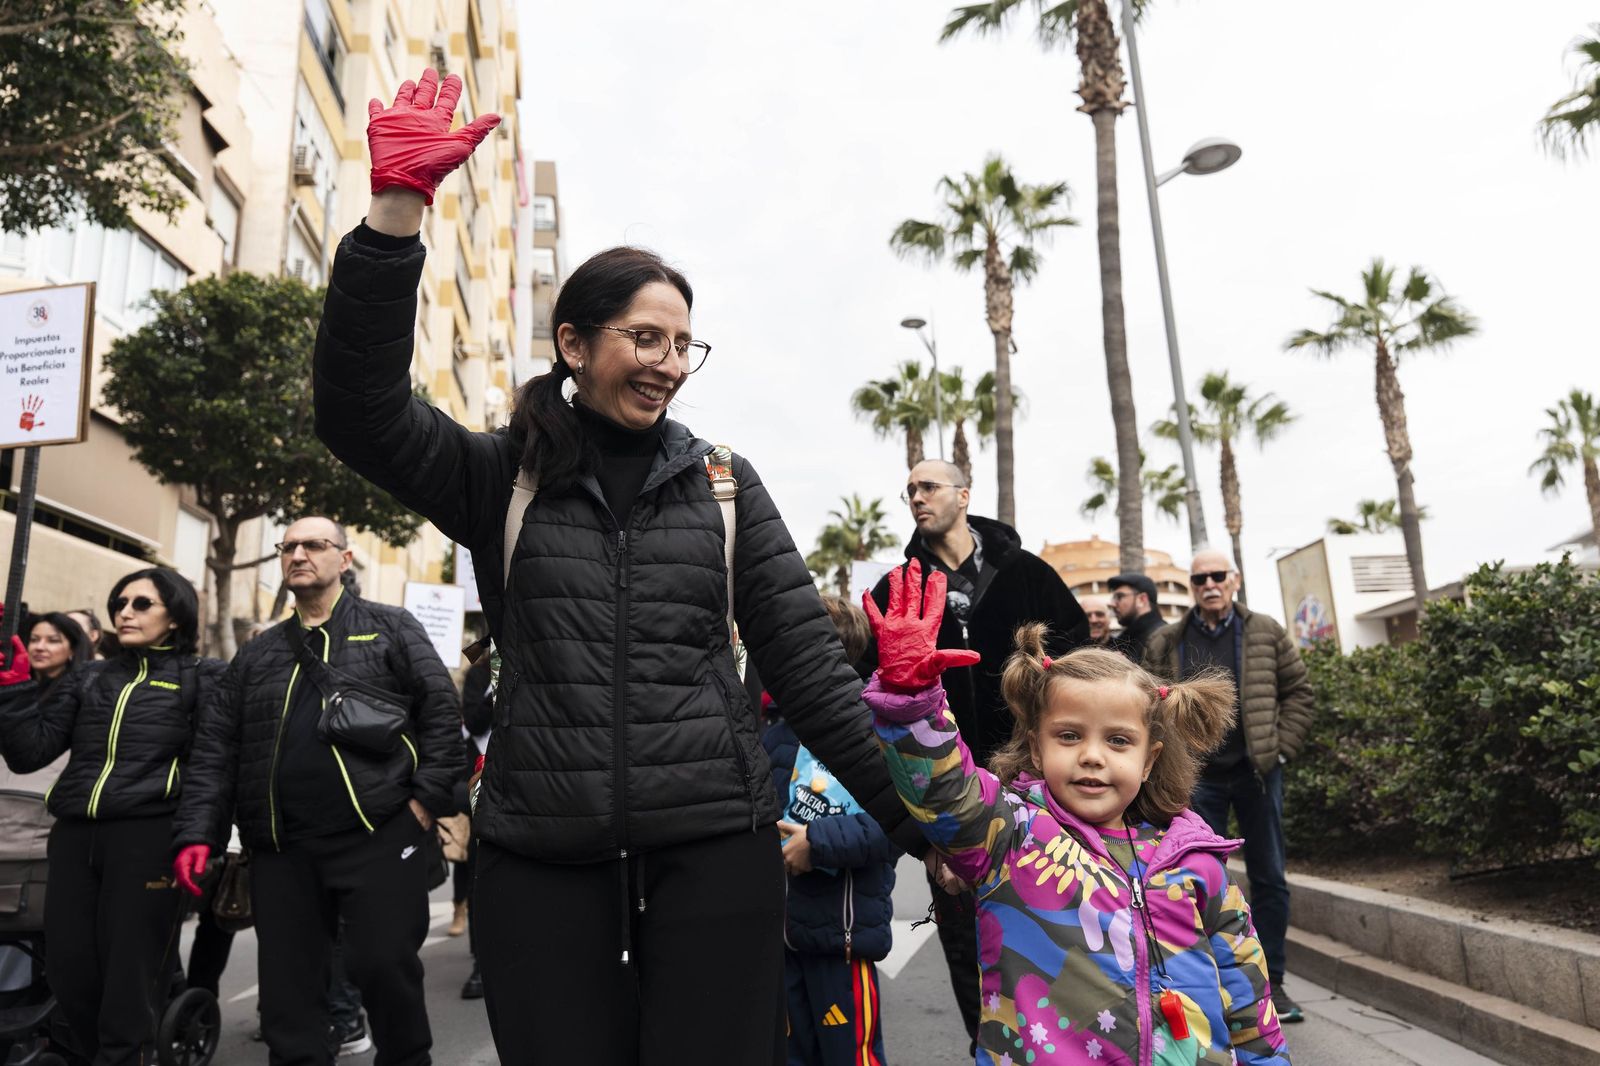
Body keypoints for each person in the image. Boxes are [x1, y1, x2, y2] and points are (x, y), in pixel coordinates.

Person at [309, 68, 924, 1064]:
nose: (669, 363)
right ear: (573, 343)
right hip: (539, 855)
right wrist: (393, 219)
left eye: (684, 344)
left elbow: (808, 671)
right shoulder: (497, 476)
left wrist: (928, 827)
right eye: (645, 338)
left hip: (716, 850)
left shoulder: (725, 484)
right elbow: (358, 413)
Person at [864, 561, 1292, 1065]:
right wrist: (913, 702)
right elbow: (944, 792)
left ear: (1149, 759)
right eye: (1069, 735)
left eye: (1118, 740)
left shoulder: (1197, 860)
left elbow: (1248, 997)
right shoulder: (1009, 835)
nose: (1092, 755)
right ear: (1036, 747)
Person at [171, 515, 461, 1066]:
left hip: (378, 836)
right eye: (288, 547)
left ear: (344, 559)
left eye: (313, 545)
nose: (298, 555)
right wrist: (197, 834)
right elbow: (216, 750)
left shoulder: (392, 627)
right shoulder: (257, 654)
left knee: (383, 967)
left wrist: (423, 806)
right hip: (281, 850)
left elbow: (442, 716)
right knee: (288, 1000)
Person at [869, 457, 1088, 1046]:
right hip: (947, 798)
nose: (917, 497)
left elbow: (1082, 664)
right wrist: (920, 832)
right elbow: (870, 699)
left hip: (1037, 790)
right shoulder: (897, 589)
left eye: (929, 486)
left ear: (963, 495)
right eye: (909, 490)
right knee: (967, 944)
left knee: (1053, 935)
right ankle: (985, 1048)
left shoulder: (1028, 574)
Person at [0, 569, 225, 1066]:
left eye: (142, 604)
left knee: (130, 987)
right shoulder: (90, 676)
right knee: (68, 975)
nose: (125, 612)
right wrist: (13, 690)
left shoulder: (203, 677)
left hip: (148, 840)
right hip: (74, 837)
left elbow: (211, 765)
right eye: (120, 603)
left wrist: (198, 837)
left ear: (175, 616)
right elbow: (29, 753)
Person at [1143, 547, 1316, 1024]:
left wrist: (1280, 750)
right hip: (1196, 778)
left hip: (1258, 773)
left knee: (1269, 876)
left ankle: (1272, 984)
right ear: (1192, 586)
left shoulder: (1265, 630)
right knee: (1198, 879)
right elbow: (1149, 703)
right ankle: (1216, 982)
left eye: (1218, 576)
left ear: (1234, 580)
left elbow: (1299, 692)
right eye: (1200, 579)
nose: (1210, 585)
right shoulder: (1168, 640)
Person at [763, 595, 895, 1066]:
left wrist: (816, 845)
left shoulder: (875, 731)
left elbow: (894, 826)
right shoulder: (775, 734)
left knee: (851, 1056)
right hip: (782, 937)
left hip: (843, 940)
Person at [22, 612, 93, 691]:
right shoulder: (23, 689)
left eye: (53, 641)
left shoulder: (81, 692)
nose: (39, 647)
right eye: (34, 640)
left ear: (72, 649)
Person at [1108, 571, 1165, 664]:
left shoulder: (1163, 637)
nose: (1112, 604)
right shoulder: (1124, 639)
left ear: (1142, 599)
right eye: (1114, 598)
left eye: (1119, 596)